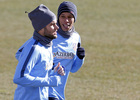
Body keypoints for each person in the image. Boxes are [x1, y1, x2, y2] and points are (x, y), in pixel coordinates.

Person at [13, 4, 65, 100]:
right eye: (52, 25)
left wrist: (53, 70)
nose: (57, 27)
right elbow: (19, 78)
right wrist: (49, 81)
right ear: (41, 28)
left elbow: (19, 54)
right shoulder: (34, 48)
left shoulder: (47, 44)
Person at [49, 1, 85, 100]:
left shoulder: (76, 37)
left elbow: (73, 69)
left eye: (70, 17)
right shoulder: (49, 35)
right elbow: (22, 55)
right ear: (58, 18)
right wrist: (48, 64)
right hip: (45, 91)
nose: (66, 20)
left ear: (74, 18)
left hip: (60, 93)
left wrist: (80, 58)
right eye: (63, 16)